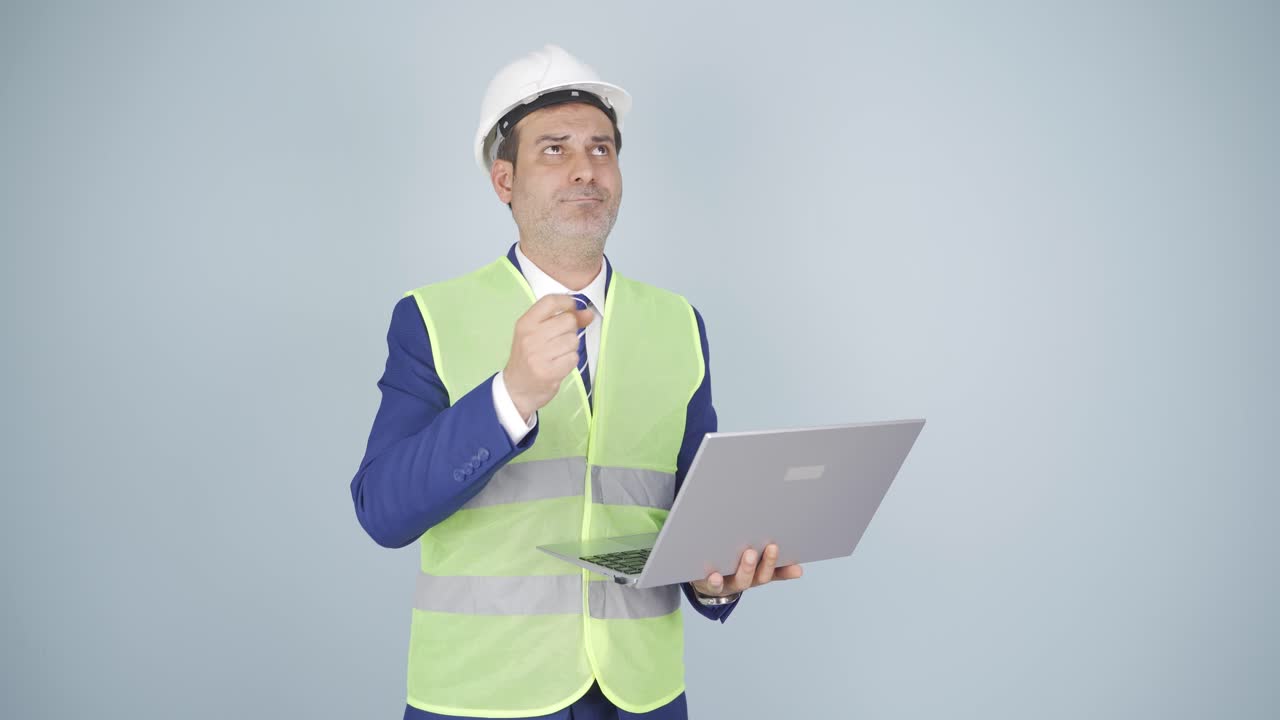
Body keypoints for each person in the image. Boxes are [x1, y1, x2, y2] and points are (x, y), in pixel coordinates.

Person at [349, 44, 803, 720]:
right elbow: (382, 511)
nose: (586, 170)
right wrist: (511, 396)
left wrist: (717, 582)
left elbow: (694, 514)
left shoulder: (679, 323)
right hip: (481, 698)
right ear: (505, 180)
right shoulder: (429, 319)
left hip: (641, 697)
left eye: (602, 149)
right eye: (554, 150)